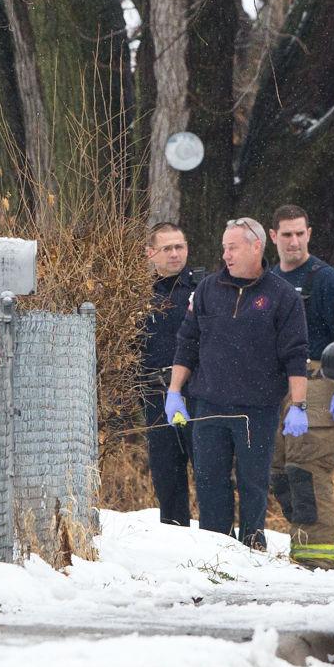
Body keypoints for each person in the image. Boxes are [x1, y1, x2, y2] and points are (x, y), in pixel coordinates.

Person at [166, 217, 309, 550]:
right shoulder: (207, 290)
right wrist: (174, 392)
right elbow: (186, 342)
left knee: (252, 483)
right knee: (209, 480)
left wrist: (298, 405)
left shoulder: (282, 296)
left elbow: (296, 354)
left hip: (256, 409)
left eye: (233, 247)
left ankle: (252, 545)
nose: (226, 255)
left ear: (256, 246)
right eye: (224, 248)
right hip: (209, 404)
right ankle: (217, 549)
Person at [267, 205, 334, 570]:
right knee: (280, 475)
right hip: (279, 389)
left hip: (319, 386)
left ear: (310, 234)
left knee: (308, 473)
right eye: (287, 234)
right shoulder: (269, 281)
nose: (295, 241)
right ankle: (300, 551)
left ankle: (318, 564)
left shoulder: (326, 279)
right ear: (273, 237)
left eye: (300, 233)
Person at [140, 223, 197, 526]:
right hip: (153, 392)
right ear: (150, 253)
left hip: (195, 391)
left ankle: (222, 541)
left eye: (180, 247)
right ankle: (175, 535)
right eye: (167, 248)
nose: (175, 254)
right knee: (166, 470)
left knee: (207, 468)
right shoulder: (137, 295)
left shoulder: (203, 289)